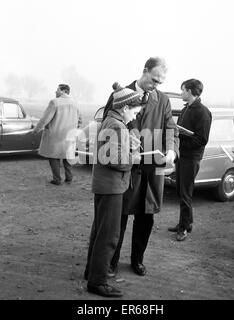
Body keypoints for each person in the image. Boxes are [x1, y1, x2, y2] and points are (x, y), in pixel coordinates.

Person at [105, 57, 180, 277]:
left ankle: (137, 259)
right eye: (154, 79)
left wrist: (172, 150)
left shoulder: (163, 100)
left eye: (160, 82)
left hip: (152, 168)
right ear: (144, 71)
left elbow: (171, 128)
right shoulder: (120, 93)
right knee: (119, 216)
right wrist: (128, 139)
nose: (156, 85)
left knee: (146, 216)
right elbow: (110, 123)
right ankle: (111, 262)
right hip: (126, 166)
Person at [84, 86, 142, 298]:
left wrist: (131, 147)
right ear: (125, 107)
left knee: (99, 231)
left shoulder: (112, 122)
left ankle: (92, 272)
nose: (135, 116)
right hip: (111, 187)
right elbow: (113, 159)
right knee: (109, 236)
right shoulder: (116, 125)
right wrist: (134, 159)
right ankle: (97, 282)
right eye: (134, 112)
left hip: (105, 185)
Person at [168, 79, 212, 241]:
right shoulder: (187, 109)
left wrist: (181, 142)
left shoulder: (202, 111)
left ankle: (183, 228)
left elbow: (202, 139)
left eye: (183, 90)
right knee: (181, 190)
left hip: (191, 158)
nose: (181, 93)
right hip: (183, 156)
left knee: (185, 193)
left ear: (190, 91)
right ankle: (187, 222)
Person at [33, 84, 82, 185]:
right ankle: (69, 178)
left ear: (64, 91)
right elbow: (80, 120)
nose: (55, 92)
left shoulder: (54, 102)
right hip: (69, 136)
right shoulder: (76, 104)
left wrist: (36, 130)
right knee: (67, 157)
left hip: (55, 136)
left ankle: (57, 179)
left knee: (53, 157)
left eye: (57, 90)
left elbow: (45, 119)